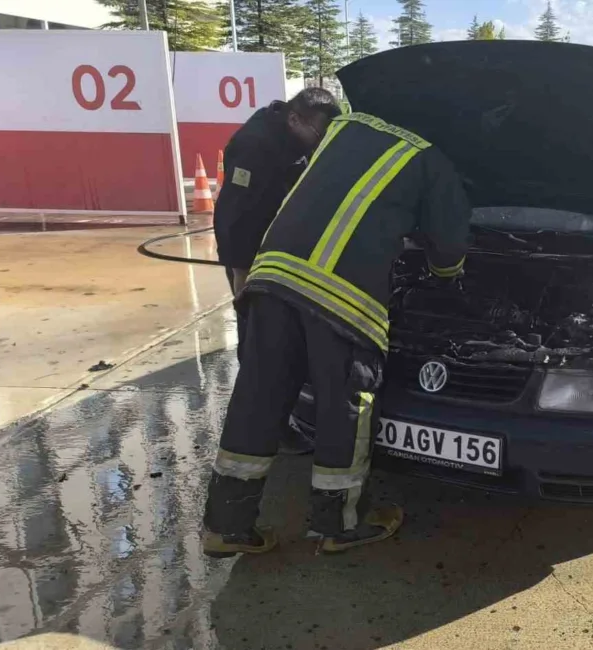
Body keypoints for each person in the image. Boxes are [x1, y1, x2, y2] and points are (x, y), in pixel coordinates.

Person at [202, 112, 471, 557]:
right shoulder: (431, 162)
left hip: (271, 278)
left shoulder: (347, 127)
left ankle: (226, 526)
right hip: (342, 298)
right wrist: (449, 278)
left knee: (257, 398)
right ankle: (342, 525)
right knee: (345, 406)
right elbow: (449, 247)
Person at [213, 88, 342, 348]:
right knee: (255, 326)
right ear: (294, 120)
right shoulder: (254, 146)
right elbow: (236, 213)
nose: (319, 143)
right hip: (250, 248)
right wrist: (241, 270)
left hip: (279, 242)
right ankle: (251, 372)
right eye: (318, 136)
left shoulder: (294, 136)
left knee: (279, 325)